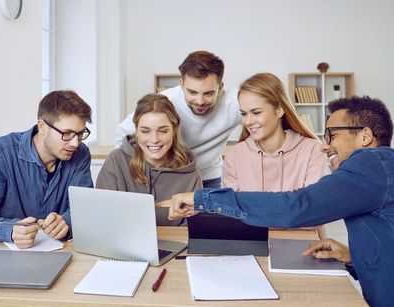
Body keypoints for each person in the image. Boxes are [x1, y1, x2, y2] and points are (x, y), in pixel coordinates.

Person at [166, 96, 394, 307]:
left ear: (365, 136)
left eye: (331, 135)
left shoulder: (370, 162)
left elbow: (297, 205)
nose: (325, 146)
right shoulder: (381, 171)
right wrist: (355, 257)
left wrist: (204, 198)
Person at [223, 73, 327, 239]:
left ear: (279, 110)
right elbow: (233, 215)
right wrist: (290, 211)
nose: (248, 121)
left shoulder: (313, 150)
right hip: (251, 243)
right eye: (244, 114)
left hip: (302, 244)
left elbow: (312, 215)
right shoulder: (235, 155)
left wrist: (255, 212)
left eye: (256, 113)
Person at [115, 50, 241, 188]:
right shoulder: (166, 102)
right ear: (181, 84)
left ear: (221, 87)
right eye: (192, 92)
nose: (200, 101)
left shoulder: (235, 101)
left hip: (209, 176)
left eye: (208, 93)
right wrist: (131, 172)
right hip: (173, 176)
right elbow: (123, 131)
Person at [0, 90, 93, 249]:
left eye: (80, 134)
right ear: (42, 127)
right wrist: (9, 230)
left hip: (61, 255)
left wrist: (66, 221)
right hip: (5, 258)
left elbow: (85, 207)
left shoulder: (81, 154)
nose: (75, 143)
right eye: (67, 133)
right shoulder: (1, 153)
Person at [97, 94, 202, 226]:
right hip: (122, 244)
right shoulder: (116, 161)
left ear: (174, 130)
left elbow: (193, 231)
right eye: (145, 131)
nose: (154, 139)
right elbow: (101, 217)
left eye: (163, 131)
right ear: (136, 131)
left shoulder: (191, 174)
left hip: (175, 245)